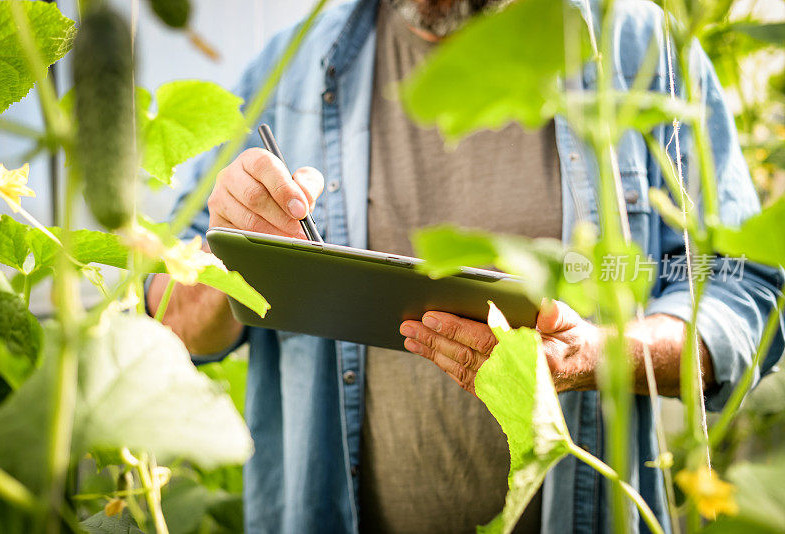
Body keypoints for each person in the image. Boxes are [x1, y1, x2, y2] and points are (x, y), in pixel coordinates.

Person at [146, 0, 785, 533]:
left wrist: (597, 356)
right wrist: (228, 251)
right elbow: (172, 319)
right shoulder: (289, 67)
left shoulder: (638, 48)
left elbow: (740, 289)